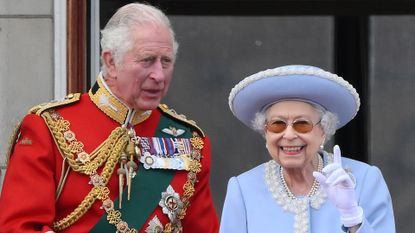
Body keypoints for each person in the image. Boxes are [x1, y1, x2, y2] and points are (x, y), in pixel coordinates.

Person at [0, 3, 219, 233]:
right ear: (111, 61)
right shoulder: (48, 128)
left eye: (166, 61)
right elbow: (18, 228)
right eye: (147, 60)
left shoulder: (190, 143)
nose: (159, 75)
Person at [220, 65, 395, 233]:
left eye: (302, 124)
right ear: (266, 132)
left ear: (324, 131)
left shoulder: (366, 180)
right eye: (277, 124)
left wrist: (353, 218)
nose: (288, 135)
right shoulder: (243, 189)